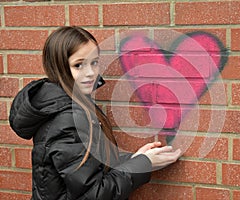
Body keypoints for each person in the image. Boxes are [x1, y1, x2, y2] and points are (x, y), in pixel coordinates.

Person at [9, 26, 181, 200]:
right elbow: (95, 193)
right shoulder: (67, 118)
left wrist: (136, 158)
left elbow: (90, 163)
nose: (91, 73)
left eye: (94, 62)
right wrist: (144, 164)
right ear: (59, 67)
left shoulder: (72, 104)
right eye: (79, 65)